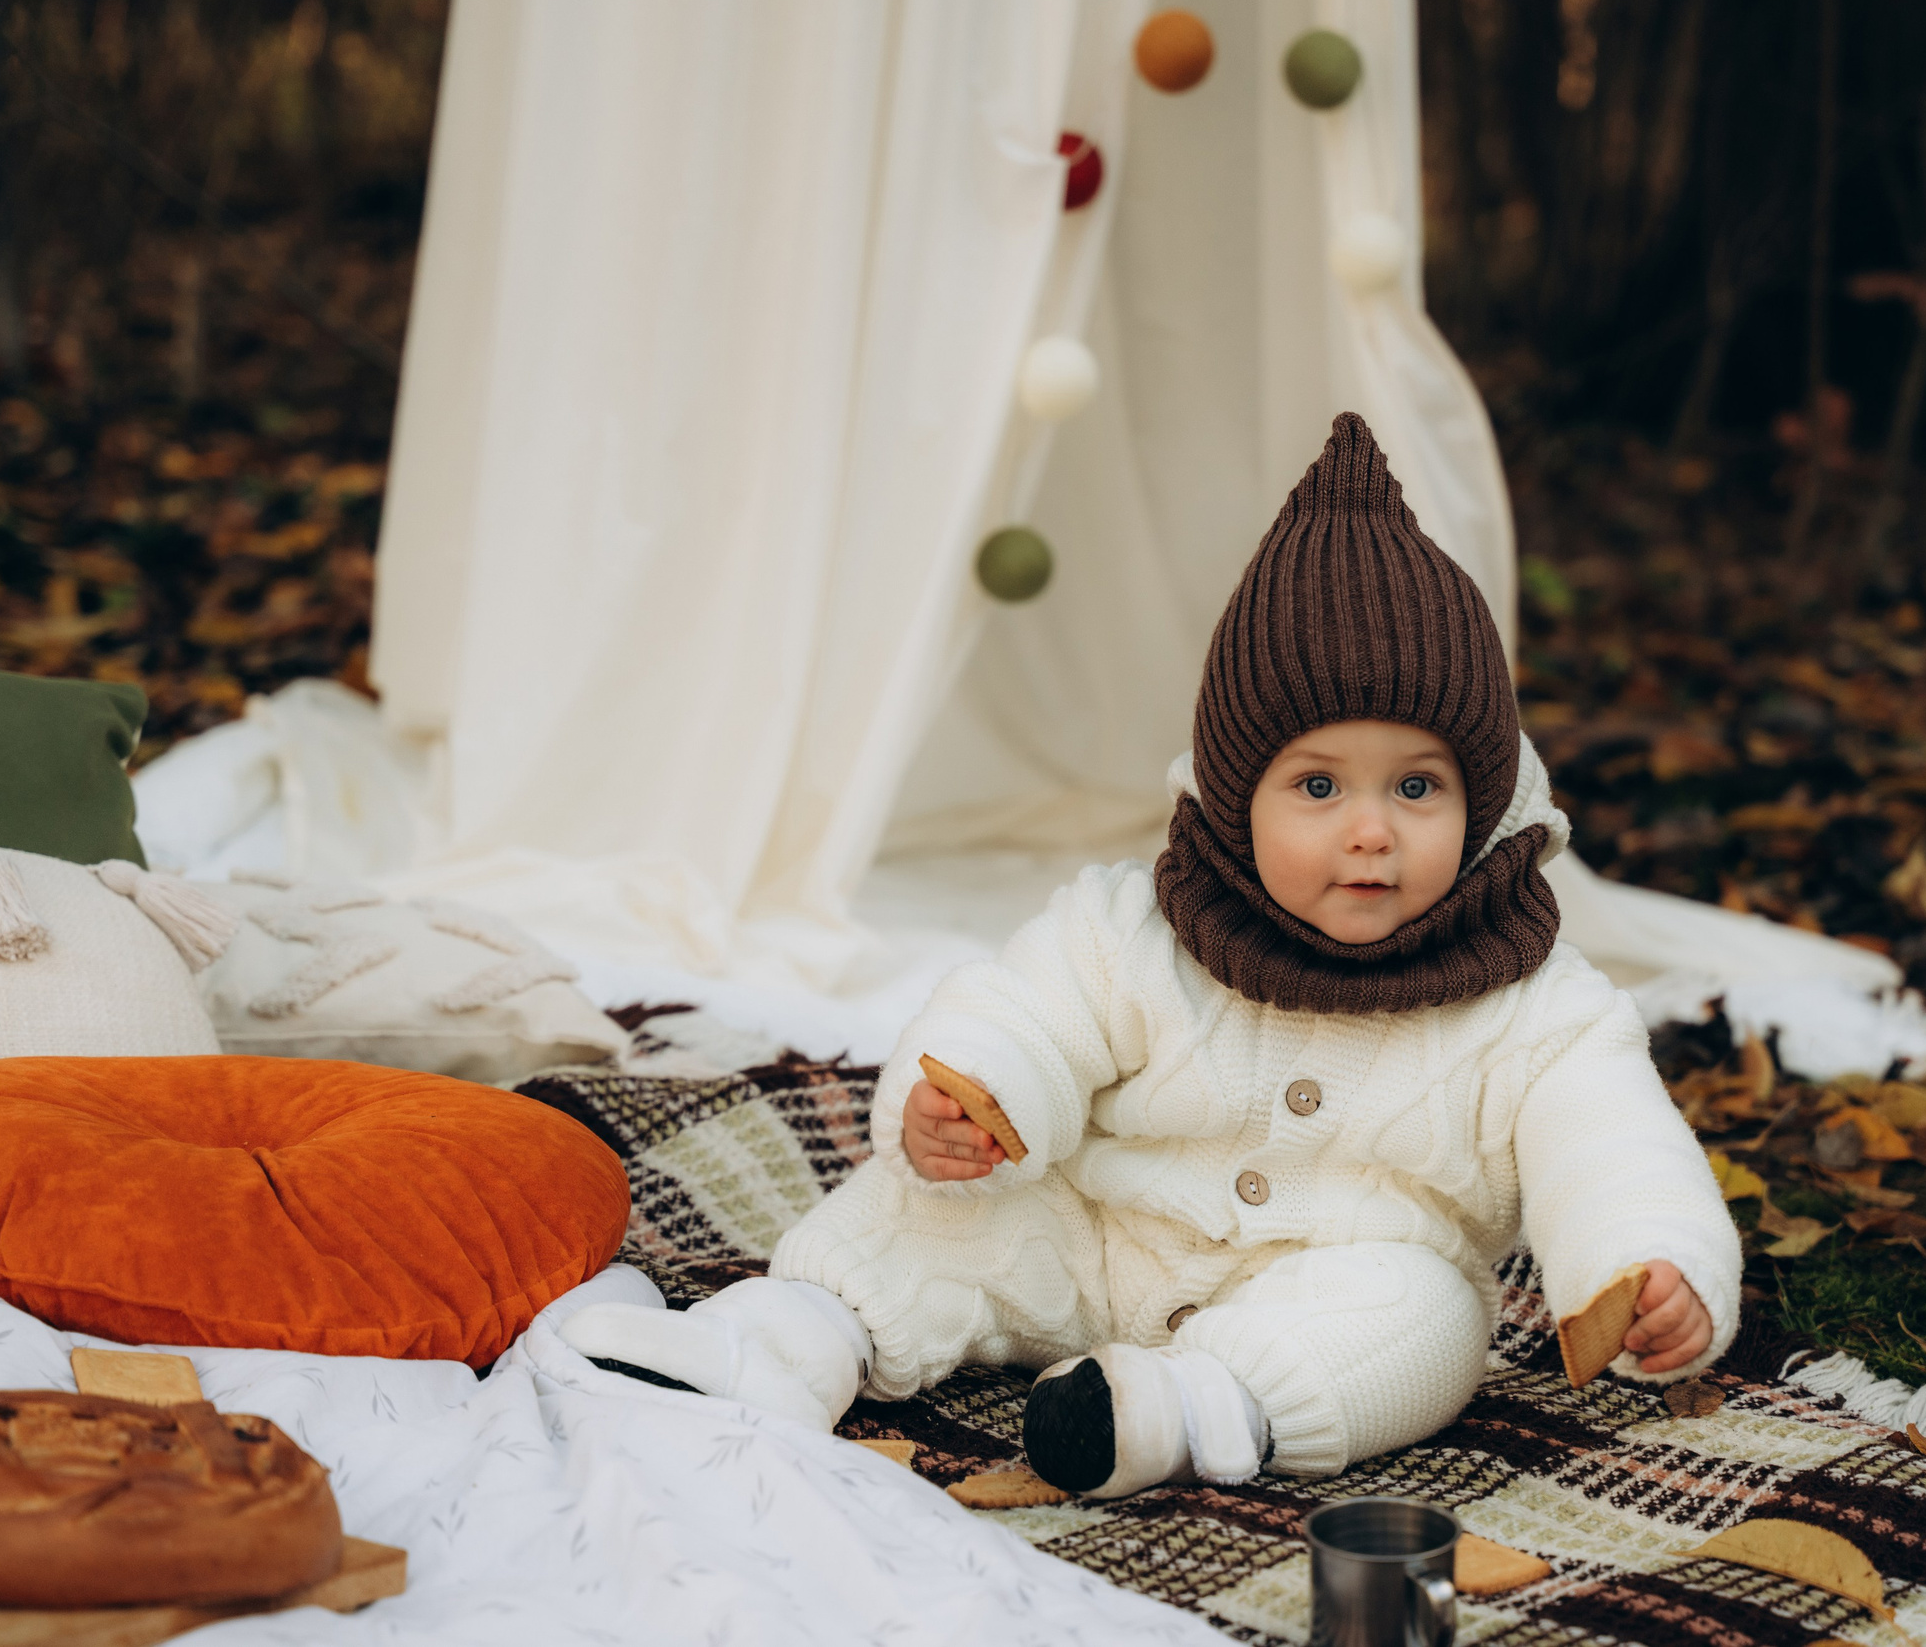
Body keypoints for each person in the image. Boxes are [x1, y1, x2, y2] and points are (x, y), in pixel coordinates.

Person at [563, 413, 1741, 1498]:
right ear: (1236, 796)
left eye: (1418, 785)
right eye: (1317, 785)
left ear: (1483, 799)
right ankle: (784, 1339)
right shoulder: (1138, 925)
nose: (1370, 828)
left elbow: (1612, 1142)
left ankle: (1190, 1406)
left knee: (1422, 1318)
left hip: (1331, 1275)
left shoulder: (1534, 1000)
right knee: (933, 1212)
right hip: (1092, 1241)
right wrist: (971, 1094)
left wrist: (1647, 1261)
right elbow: (1026, 1012)